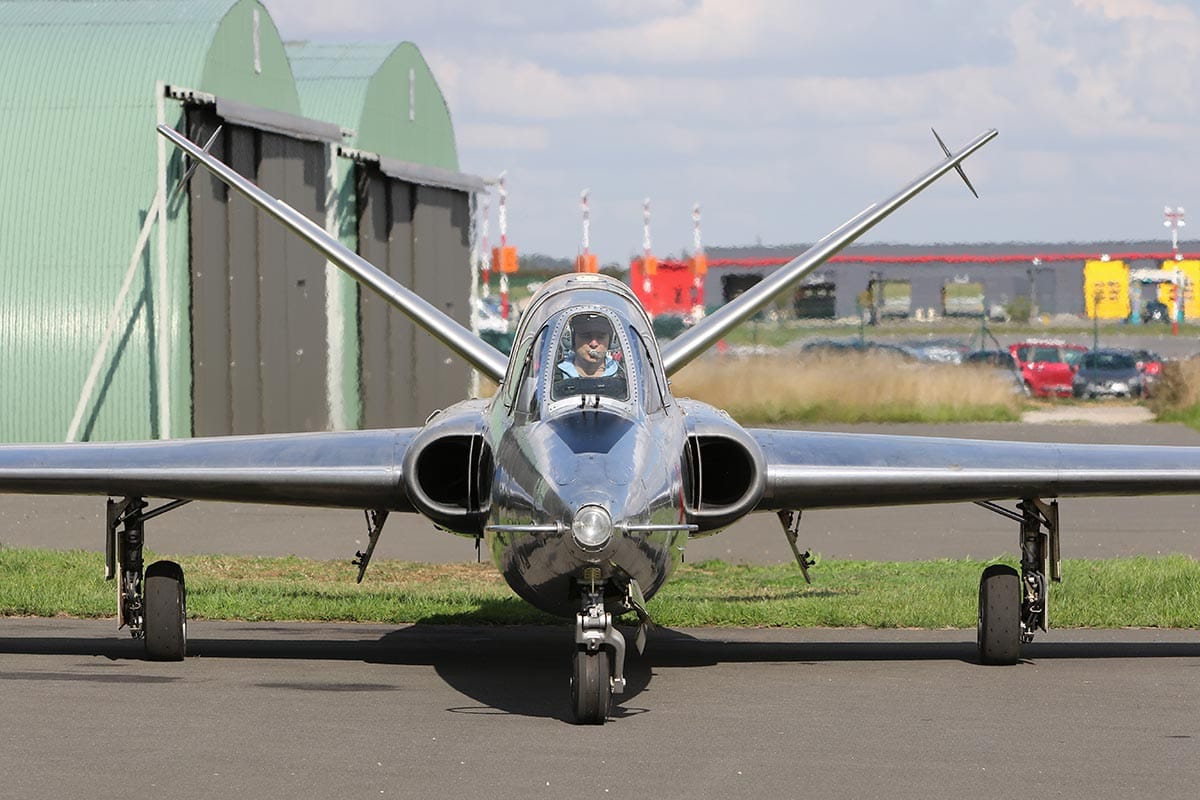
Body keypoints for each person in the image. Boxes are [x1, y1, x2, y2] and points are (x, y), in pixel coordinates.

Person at [557, 313, 622, 379]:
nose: (594, 344)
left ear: (612, 340)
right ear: (571, 339)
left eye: (600, 337)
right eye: (586, 336)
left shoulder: (624, 376)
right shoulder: (554, 376)